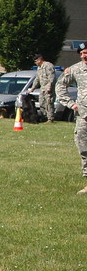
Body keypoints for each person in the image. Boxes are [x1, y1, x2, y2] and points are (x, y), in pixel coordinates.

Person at [56, 42, 87, 194]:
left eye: (86, 52)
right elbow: (60, 85)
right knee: (84, 149)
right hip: (84, 116)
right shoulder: (75, 69)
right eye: (81, 54)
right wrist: (71, 104)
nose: (84, 56)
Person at [30, 53, 56, 123]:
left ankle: (50, 118)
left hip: (48, 87)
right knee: (42, 103)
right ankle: (44, 117)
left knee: (49, 103)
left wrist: (49, 86)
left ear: (39, 60)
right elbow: (37, 79)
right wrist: (32, 88)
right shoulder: (39, 68)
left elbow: (52, 77)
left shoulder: (48, 66)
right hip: (42, 88)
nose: (35, 63)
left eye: (35, 61)